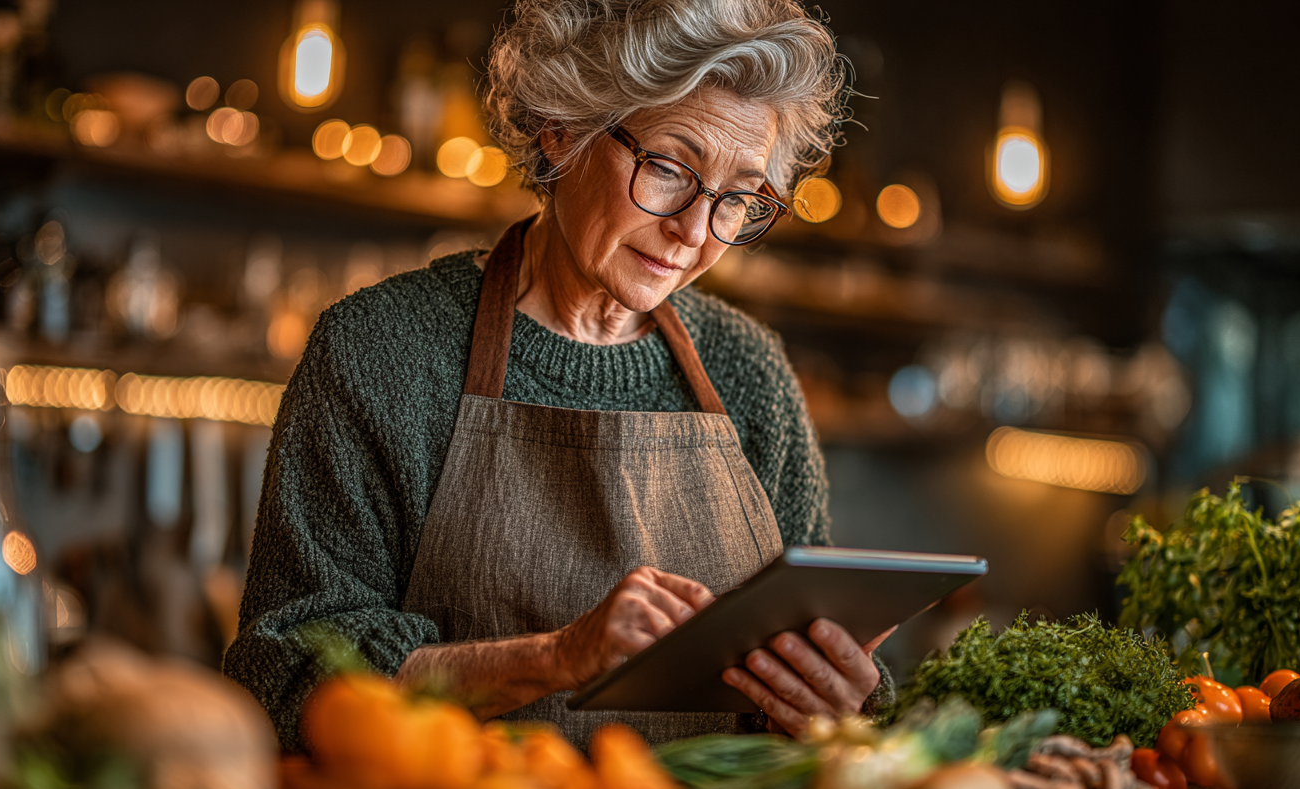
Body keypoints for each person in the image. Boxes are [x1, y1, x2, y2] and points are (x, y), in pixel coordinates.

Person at [225, 0, 894, 751]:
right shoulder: (381, 349)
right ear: (563, 127)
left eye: (738, 197)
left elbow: (814, 646)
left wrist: (842, 699)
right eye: (671, 167)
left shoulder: (751, 370)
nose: (695, 232)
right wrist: (556, 659)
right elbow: (286, 675)